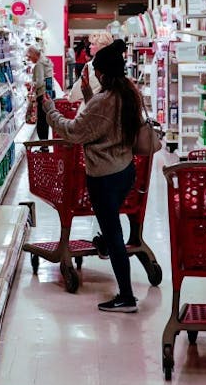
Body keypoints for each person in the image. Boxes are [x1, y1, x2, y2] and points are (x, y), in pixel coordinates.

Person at [37, 39, 141, 313]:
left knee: (114, 235)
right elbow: (103, 123)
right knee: (112, 230)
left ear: (103, 74)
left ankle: (126, 297)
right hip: (125, 170)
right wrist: (86, 96)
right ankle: (104, 245)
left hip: (104, 176)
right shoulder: (128, 94)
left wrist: (50, 111)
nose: (93, 75)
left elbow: (74, 132)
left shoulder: (105, 101)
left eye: (95, 72)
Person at [27, 45, 55, 141]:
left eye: (30, 57)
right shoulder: (46, 61)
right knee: (45, 120)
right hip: (49, 92)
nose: (29, 59)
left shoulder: (39, 64)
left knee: (41, 121)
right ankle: (45, 143)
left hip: (42, 95)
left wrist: (30, 84)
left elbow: (39, 82)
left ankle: (43, 144)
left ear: (35, 54)